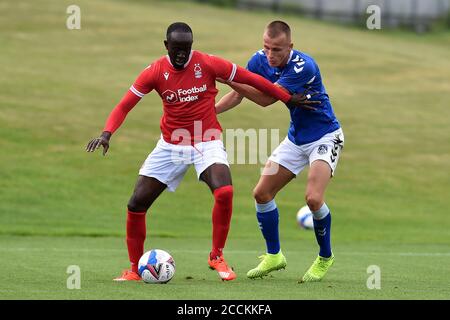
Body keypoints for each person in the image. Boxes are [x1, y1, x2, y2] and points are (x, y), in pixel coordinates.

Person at [86, 22, 314, 282]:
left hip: (207, 141)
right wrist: (106, 133)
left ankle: (216, 256)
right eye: (176, 49)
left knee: (225, 191)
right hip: (171, 145)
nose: (182, 54)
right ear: (166, 46)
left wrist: (286, 98)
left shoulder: (207, 64)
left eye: (186, 48)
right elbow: (124, 106)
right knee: (136, 204)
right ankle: (134, 270)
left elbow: (249, 78)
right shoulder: (155, 72)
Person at [215, 20, 344, 283]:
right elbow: (238, 95)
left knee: (313, 199)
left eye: (277, 50)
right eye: (266, 48)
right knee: (261, 193)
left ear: (290, 47)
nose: (270, 55)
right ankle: (274, 255)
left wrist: (230, 79)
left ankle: (325, 256)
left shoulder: (303, 66)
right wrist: (209, 112)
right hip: (296, 139)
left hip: (325, 136)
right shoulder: (259, 61)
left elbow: (265, 99)